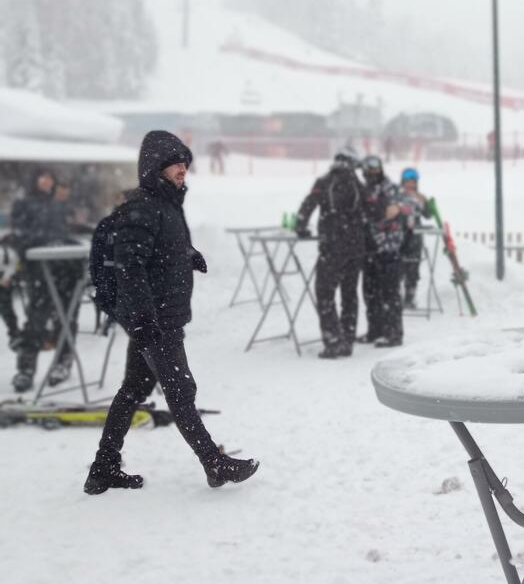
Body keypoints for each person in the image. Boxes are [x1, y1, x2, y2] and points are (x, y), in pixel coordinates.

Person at [84, 130, 259, 494]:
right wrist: (145, 321)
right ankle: (214, 463)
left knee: (133, 389)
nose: (183, 170)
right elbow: (129, 268)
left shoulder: (165, 206)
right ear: (155, 167)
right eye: (176, 164)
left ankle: (103, 468)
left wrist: (187, 254)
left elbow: (155, 250)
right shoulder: (143, 208)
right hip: (156, 321)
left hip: (159, 317)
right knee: (181, 391)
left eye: (185, 164)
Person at [9, 169, 81, 392]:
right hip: (39, 270)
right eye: (43, 176)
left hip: (65, 269)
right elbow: (19, 234)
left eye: (51, 177)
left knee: (67, 317)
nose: (47, 181)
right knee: (36, 319)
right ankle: (26, 369)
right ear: (35, 179)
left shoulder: (59, 206)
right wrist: (43, 244)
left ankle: (63, 363)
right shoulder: (24, 204)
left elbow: (65, 233)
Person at [296, 148, 365, 358]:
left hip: (332, 248)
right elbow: (372, 209)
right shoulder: (357, 184)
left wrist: (301, 227)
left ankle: (332, 340)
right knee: (349, 295)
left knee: (325, 294)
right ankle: (347, 340)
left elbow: (307, 206)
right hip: (355, 248)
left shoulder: (324, 182)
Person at [357, 155, 405, 347]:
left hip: (388, 247)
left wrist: (374, 213)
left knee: (389, 292)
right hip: (369, 248)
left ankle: (393, 334)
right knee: (370, 292)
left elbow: (390, 212)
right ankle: (375, 330)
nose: (372, 173)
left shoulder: (389, 188)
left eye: (376, 169)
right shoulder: (363, 189)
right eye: (369, 170)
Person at [397, 167, 429, 310]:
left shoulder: (419, 198)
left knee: (413, 267)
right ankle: (395, 296)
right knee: (398, 267)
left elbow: (428, 214)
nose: (410, 185)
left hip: (415, 237)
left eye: (412, 182)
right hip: (399, 236)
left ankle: (410, 296)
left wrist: (426, 203)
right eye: (407, 182)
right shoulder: (397, 196)